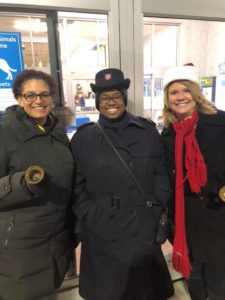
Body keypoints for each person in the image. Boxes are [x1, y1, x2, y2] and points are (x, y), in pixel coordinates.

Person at [70, 68, 174, 300]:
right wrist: (89, 214)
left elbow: (160, 172)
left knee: (144, 290)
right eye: (105, 98)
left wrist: (158, 204)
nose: (111, 102)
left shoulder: (147, 131)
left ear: (125, 99)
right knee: (109, 291)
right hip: (102, 228)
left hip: (143, 225)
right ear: (97, 102)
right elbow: (76, 186)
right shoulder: (83, 138)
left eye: (116, 96)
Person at [0, 69, 75, 300]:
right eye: (30, 95)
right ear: (19, 99)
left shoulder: (57, 131)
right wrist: (25, 183)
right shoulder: (5, 134)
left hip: (55, 238)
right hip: (20, 244)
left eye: (44, 95)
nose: (38, 101)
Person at [161, 64, 225, 300]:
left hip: (218, 214)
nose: (180, 97)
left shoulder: (221, 122)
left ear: (196, 93)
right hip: (186, 219)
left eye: (185, 90)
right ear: (167, 98)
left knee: (219, 278)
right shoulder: (168, 135)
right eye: (173, 92)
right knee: (194, 276)